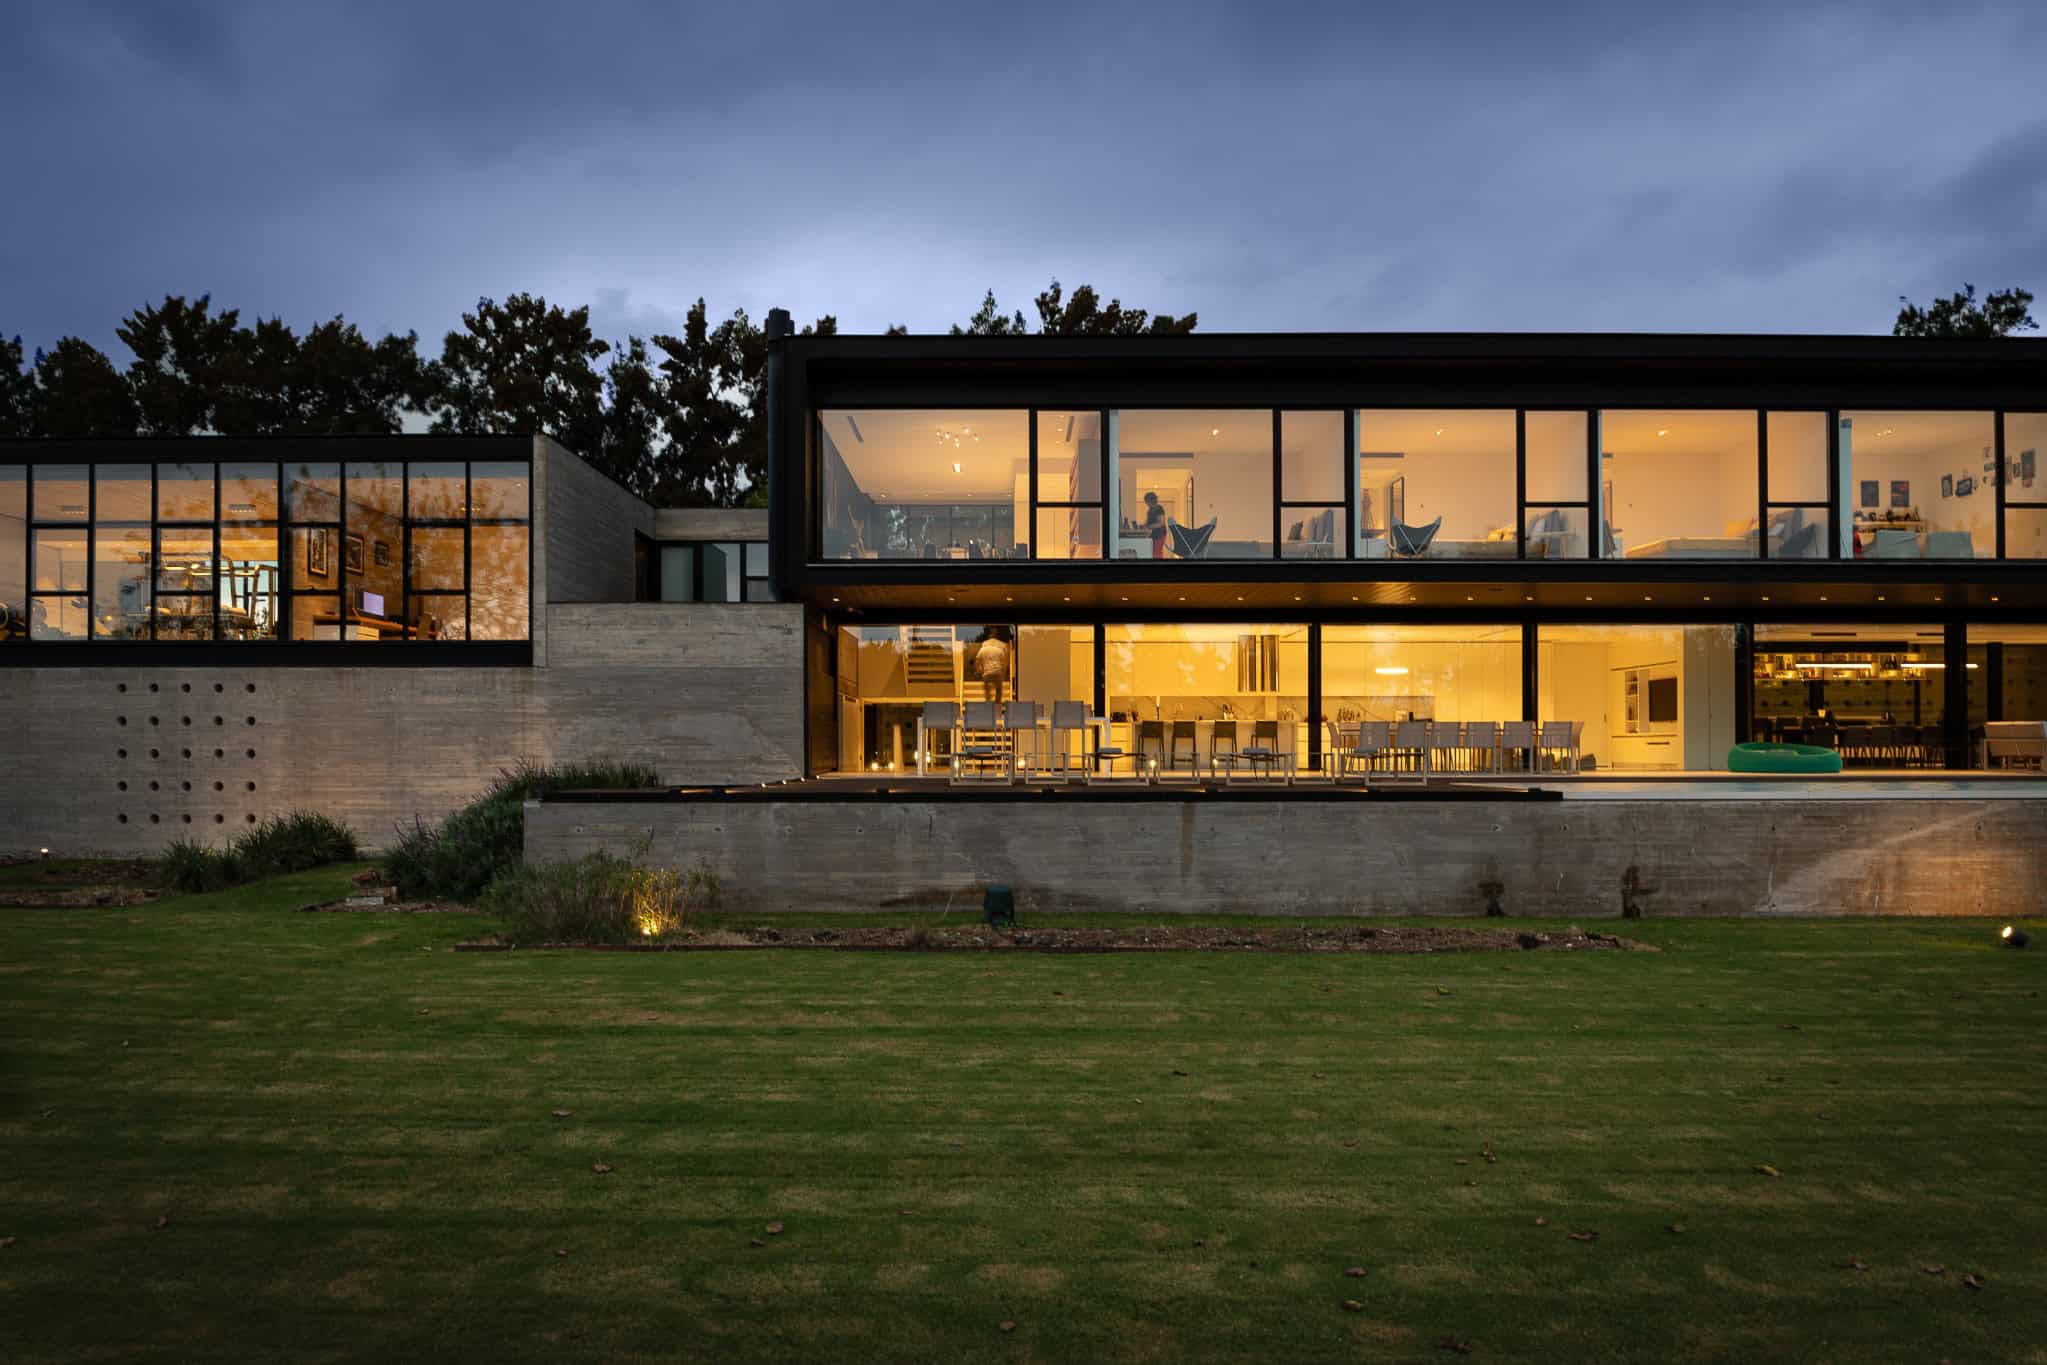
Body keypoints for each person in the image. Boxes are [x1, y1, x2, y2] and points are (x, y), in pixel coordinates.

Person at [972, 627, 1009, 703]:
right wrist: (1004, 673)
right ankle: (997, 704)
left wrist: (978, 670)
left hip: (987, 673)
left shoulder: (983, 649)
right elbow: (1004, 663)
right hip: (998, 672)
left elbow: (977, 661)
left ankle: (988, 702)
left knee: (987, 691)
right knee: (998, 691)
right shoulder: (999, 650)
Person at [1141, 490, 1168, 559]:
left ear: (1152, 500)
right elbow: (1148, 522)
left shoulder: (1159, 508)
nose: (1147, 504)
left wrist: (1148, 526)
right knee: (1153, 553)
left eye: (1147, 501)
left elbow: (1161, 523)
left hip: (1159, 534)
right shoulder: (1149, 510)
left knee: (1157, 553)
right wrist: (1143, 525)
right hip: (1153, 534)